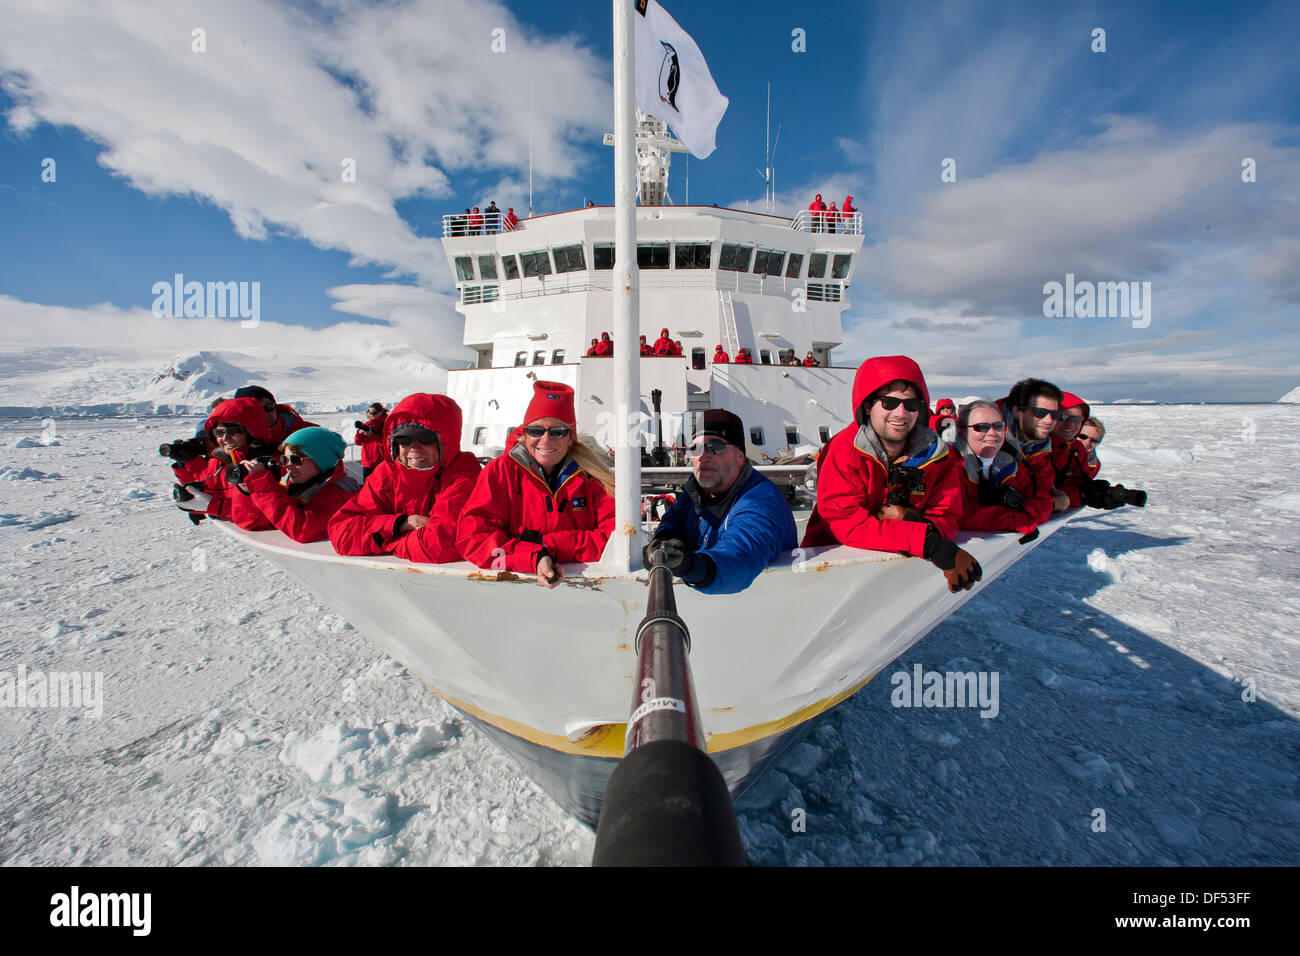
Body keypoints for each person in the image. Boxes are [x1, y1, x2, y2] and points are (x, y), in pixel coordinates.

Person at [802, 355, 980, 593]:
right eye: (889, 403)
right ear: (867, 405)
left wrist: (919, 525)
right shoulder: (844, 449)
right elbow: (846, 523)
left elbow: (947, 514)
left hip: (894, 577)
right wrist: (929, 543)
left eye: (911, 405)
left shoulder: (939, 456)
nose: (901, 413)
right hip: (830, 573)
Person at [457, 381, 615, 588]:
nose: (546, 439)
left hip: (587, 592)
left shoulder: (592, 477)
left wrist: (546, 546)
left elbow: (613, 539)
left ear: (570, 438)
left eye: (557, 431)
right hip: (514, 593)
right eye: (536, 430)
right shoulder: (500, 472)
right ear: (524, 434)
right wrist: (533, 557)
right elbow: (473, 538)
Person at [644, 409, 796, 594]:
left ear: (740, 456)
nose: (702, 457)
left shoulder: (760, 501)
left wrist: (690, 566)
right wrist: (664, 541)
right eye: (695, 448)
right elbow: (673, 520)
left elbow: (740, 555)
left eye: (715, 447)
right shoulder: (696, 493)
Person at [327, 393, 481, 563]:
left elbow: (438, 545)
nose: (414, 447)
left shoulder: (464, 473)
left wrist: (382, 539)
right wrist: (401, 524)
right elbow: (341, 532)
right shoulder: (386, 473)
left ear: (445, 441)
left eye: (425, 438)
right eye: (404, 439)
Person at [230, 427, 360, 542]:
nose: (288, 466)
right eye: (284, 459)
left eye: (296, 459)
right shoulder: (291, 485)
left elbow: (303, 529)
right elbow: (250, 521)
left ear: (323, 461)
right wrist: (247, 491)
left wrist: (263, 486)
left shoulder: (341, 493)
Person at [173, 396, 280, 523]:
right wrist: (189, 495)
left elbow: (258, 518)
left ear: (251, 431)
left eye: (233, 432)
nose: (225, 438)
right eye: (219, 433)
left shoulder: (269, 466)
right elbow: (207, 485)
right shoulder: (220, 461)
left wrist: (213, 507)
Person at [953, 400, 1052, 535]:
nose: (992, 433)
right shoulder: (951, 465)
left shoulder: (1010, 464)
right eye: (981, 427)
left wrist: (1023, 512)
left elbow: (1041, 499)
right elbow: (959, 513)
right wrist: (1014, 518)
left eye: (998, 426)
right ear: (962, 430)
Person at [999, 378, 1062, 512]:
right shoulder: (988, 441)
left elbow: (1043, 487)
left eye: (1055, 414)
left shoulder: (1038, 444)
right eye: (1040, 412)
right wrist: (1052, 504)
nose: (1049, 420)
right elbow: (1007, 503)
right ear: (1016, 411)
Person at [232, 385, 317, 446]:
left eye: (269, 407)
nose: (264, 414)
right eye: (255, 411)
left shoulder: (309, 434)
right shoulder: (230, 443)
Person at [1049, 391, 1092, 510]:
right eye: (1063, 417)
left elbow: (1078, 481)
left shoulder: (1076, 449)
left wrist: (1092, 491)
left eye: (1077, 419)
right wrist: (1079, 496)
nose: (1070, 425)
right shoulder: (1033, 447)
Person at [354, 402, 389, 481]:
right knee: (368, 488)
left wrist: (372, 435)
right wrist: (359, 433)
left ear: (381, 412)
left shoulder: (386, 424)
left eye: (374, 413)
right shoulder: (367, 424)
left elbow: (388, 441)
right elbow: (358, 442)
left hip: (381, 462)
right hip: (368, 463)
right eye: (370, 412)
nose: (372, 415)